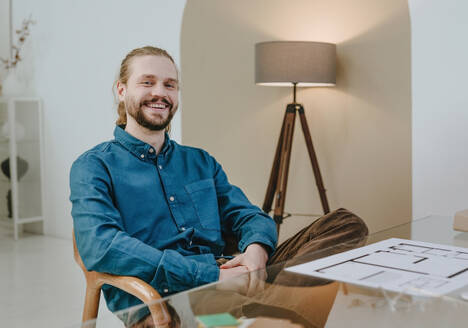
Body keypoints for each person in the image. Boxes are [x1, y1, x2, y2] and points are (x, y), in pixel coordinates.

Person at [69, 46, 368, 327]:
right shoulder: (93, 166)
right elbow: (101, 245)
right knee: (310, 298)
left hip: (232, 276)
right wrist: (211, 276)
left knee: (345, 224)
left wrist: (256, 252)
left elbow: (249, 216)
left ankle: (275, 302)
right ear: (121, 91)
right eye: (147, 82)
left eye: (170, 85)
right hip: (168, 298)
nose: (160, 92)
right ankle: (285, 305)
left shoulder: (200, 161)